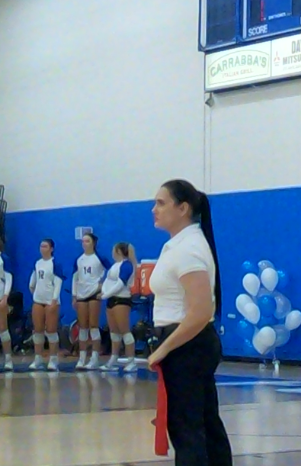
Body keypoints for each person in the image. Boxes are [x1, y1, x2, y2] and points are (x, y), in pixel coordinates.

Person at [146, 179, 232, 466]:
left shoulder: (189, 249)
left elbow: (199, 311)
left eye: (161, 203)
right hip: (187, 344)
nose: (154, 209)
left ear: (183, 208)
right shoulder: (179, 244)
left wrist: (164, 349)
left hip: (188, 345)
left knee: (188, 431)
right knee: (204, 426)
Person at [99, 242, 139, 372]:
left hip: (122, 300)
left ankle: (131, 361)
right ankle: (113, 359)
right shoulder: (114, 266)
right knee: (114, 332)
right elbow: (107, 281)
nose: (112, 252)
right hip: (111, 300)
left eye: (113, 249)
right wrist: (104, 292)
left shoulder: (127, 265)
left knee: (124, 331)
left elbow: (121, 283)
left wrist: (105, 295)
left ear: (119, 251)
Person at [72, 232, 109, 370]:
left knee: (93, 325)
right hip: (81, 295)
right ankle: (81, 358)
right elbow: (74, 278)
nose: (84, 243)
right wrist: (74, 296)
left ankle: (94, 358)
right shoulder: (79, 259)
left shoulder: (99, 258)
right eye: (82, 241)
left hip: (94, 294)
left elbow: (112, 273)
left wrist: (102, 287)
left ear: (93, 243)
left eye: (87, 241)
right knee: (83, 326)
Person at [29, 239, 65, 371]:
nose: (42, 248)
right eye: (41, 246)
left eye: (45, 246)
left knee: (51, 330)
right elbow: (33, 281)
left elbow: (58, 282)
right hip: (38, 300)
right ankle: (38, 358)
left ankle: (53, 359)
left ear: (51, 249)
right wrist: (33, 291)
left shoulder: (55, 263)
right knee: (37, 330)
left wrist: (54, 300)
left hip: (51, 301)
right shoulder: (37, 263)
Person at [0, 239, 12, 371]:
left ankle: (8, 359)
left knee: (3, 328)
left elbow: (8, 277)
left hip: (0, 296)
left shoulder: (3, 258)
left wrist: (5, 296)